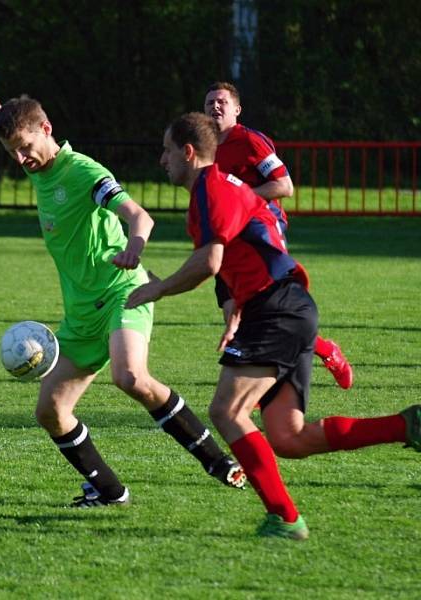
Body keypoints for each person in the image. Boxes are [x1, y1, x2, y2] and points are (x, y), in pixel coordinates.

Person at [126, 112, 420, 539]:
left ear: (188, 153)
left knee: (227, 411)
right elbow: (242, 257)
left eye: (167, 150)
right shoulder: (219, 189)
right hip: (286, 306)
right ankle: (406, 425)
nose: (161, 160)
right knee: (289, 437)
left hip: (277, 309)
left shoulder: (211, 189)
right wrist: (236, 311)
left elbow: (209, 263)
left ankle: (285, 518)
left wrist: (159, 289)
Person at [0, 48, 245, 508]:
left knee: (130, 376)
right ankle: (108, 490)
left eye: (26, 147)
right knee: (50, 411)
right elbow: (9, 122)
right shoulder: (36, 164)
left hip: (123, 290)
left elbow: (137, 213)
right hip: (80, 314)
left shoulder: (82, 171)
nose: (21, 158)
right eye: (13, 151)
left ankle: (219, 461)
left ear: (48, 129)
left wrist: (135, 245)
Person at [204, 81, 353, 390]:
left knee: (270, 306)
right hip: (230, 236)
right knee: (232, 304)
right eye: (209, 103)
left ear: (237, 109)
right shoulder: (206, 146)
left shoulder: (251, 141)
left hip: (263, 231)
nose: (215, 107)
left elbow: (284, 185)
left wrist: (242, 198)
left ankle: (267, 378)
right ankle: (262, 373)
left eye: (221, 102)